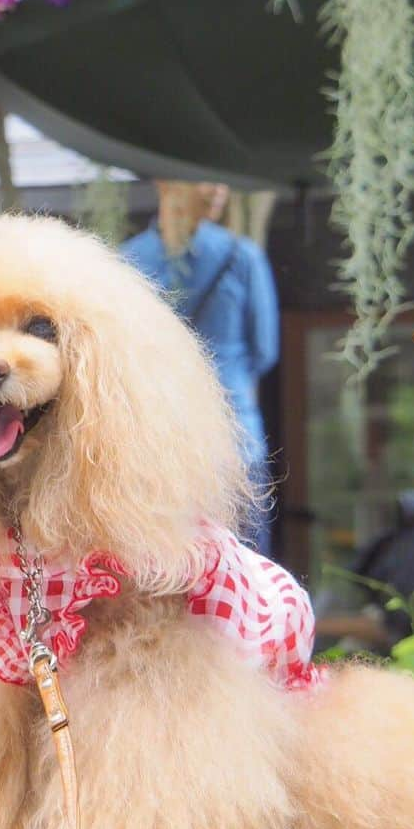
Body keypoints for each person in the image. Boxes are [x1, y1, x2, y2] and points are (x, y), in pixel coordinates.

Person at [121, 181, 279, 553]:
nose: (220, 190)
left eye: (223, 180)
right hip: (210, 439)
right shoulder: (242, 258)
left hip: (174, 445)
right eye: (202, 178)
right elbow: (262, 350)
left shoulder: (125, 262)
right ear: (165, 183)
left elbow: (266, 353)